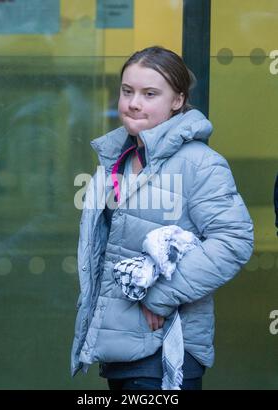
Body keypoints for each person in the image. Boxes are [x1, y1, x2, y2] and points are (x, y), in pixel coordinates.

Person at [71, 46, 254, 390]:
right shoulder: (119, 158)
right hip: (121, 352)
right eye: (128, 91)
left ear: (177, 100)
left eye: (149, 93)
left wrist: (159, 295)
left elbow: (234, 241)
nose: (134, 102)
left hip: (166, 352)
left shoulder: (200, 162)